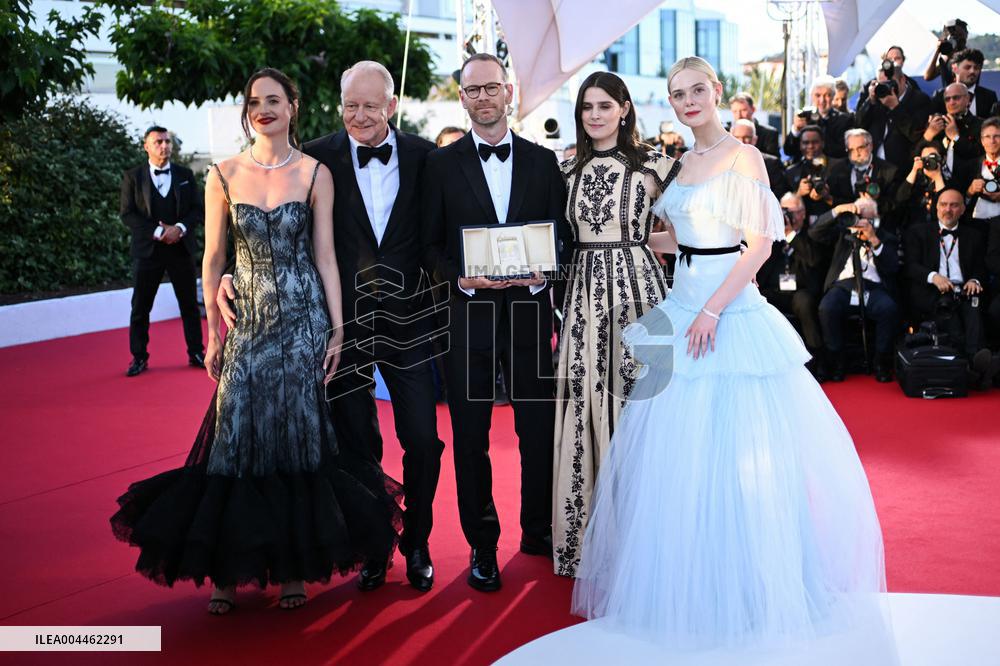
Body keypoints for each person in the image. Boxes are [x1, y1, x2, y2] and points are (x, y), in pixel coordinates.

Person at [572, 57, 893, 659]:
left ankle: (752, 586)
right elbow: (678, 238)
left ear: (717, 92)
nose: (689, 101)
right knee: (677, 459)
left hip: (727, 311)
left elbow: (761, 243)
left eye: (697, 90)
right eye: (677, 95)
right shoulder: (681, 163)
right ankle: (693, 584)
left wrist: (714, 310)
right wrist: (632, 238)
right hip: (682, 302)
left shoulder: (744, 155)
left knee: (741, 454)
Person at [111, 68, 402, 614]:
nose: (262, 108)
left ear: (294, 106)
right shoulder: (222, 174)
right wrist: (214, 332)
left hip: (303, 323)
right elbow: (214, 258)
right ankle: (226, 570)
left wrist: (336, 327)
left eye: (273, 100)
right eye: (253, 101)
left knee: (297, 439)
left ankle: (292, 567)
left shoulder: (316, 173)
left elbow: (325, 258)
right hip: (247, 322)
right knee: (236, 438)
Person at [217, 61, 444, 593]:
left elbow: (444, 229)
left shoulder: (425, 156)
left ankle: (418, 541)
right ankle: (373, 543)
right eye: (350, 106)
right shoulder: (318, 160)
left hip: (409, 323)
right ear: (339, 105)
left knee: (423, 441)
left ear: (392, 106)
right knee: (355, 442)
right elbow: (282, 229)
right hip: (340, 325)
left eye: (370, 105)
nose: (359, 116)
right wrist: (232, 269)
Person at [421, 53, 570, 592]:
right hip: (467, 318)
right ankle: (482, 545)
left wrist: (541, 273)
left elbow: (563, 237)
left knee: (537, 430)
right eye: (472, 90)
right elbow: (429, 246)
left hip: (530, 315)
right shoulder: (439, 166)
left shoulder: (542, 161)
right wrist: (462, 278)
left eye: (491, 88)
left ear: (508, 92)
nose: (483, 97)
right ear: (461, 97)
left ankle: (538, 529)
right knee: (470, 436)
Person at [551, 71, 679, 577]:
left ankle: (650, 538)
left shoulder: (657, 165)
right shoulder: (564, 167)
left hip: (640, 295)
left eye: (605, 105)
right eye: (587, 107)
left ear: (625, 109)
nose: (596, 115)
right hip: (583, 295)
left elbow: (686, 233)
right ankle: (590, 542)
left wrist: (655, 250)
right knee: (586, 402)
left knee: (641, 406)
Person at [119, 126, 205, 376]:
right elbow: (127, 214)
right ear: (146, 146)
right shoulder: (132, 177)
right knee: (141, 306)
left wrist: (179, 228)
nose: (164, 146)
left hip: (181, 249)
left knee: (189, 304)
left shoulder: (185, 174)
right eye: (158, 142)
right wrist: (158, 232)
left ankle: (196, 352)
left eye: (167, 141)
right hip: (148, 251)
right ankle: (138, 357)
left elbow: (197, 210)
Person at [811, 196, 901, 382]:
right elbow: (814, 232)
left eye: (866, 218)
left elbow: (893, 267)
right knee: (827, 308)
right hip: (842, 287)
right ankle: (837, 362)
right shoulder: (842, 236)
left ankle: (881, 362)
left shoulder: (886, 237)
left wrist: (874, 239)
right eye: (858, 217)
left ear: (875, 218)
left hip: (874, 288)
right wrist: (837, 210)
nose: (861, 222)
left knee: (889, 308)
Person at [904, 189, 989, 368]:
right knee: (953, 323)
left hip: (963, 290)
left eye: (954, 205)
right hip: (933, 291)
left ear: (963, 209)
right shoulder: (918, 232)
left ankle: (974, 364)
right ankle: (972, 367)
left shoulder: (974, 236)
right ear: (936, 208)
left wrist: (975, 280)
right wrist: (933, 277)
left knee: (974, 312)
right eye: (943, 205)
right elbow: (911, 266)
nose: (948, 209)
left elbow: (981, 267)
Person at [756, 192, 829, 379]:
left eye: (792, 212)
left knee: (804, 302)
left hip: (800, 293)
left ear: (803, 213)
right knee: (757, 299)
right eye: (783, 211)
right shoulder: (771, 236)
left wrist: (791, 235)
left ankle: (816, 360)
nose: (787, 216)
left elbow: (813, 260)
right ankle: (763, 360)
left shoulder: (812, 234)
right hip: (775, 291)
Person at [855, 46, 932, 170]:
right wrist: (871, 101)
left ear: (902, 80)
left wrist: (895, 107)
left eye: (891, 83)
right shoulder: (876, 95)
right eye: (882, 84)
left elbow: (915, 134)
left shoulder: (920, 100)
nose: (887, 88)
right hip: (874, 167)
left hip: (902, 169)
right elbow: (858, 125)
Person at [826, 129, 899, 231]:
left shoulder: (889, 171)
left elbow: (895, 202)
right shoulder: (838, 170)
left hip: (879, 229)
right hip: (846, 230)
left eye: (860, 148)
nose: (856, 153)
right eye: (851, 150)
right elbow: (837, 198)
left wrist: (873, 205)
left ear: (871, 146)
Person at [784, 76, 854, 160]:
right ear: (812, 96)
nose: (822, 100)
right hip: (805, 169)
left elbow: (842, 152)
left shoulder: (845, 120)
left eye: (827, 95)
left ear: (833, 96)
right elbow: (788, 151)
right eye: (818, 95)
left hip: (832, 169)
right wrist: (795, 130)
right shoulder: (805, 116)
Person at [923, 83, 984, 164]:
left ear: (968, 98)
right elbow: (914, 156)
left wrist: (955, 137)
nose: (951, 102)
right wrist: (928, 135)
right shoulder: (936, 124)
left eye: (956, 98)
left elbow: (978, 155)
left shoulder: (981, 125)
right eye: (947, 99)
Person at [931, 49, 998, 119]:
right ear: (954, 68)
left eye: (976, 68)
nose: (972, 71)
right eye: (967, 67)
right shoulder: (939, 95)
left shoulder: (989, 96)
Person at [730, 118, 787, 198]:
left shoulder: (771, 163)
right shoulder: (722, 163)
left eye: (746, 137)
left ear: (754, 140)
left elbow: (780, 190)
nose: (741, 141)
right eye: (737, 137)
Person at [965, 117, 1000, 223]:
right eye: (987, 137)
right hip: (976, 224)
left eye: (997, 136)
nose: (992, 141)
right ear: (982, 141)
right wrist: (970, 191)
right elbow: (960, 202)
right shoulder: (970, 166)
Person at [727, 92, 780, 157]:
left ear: (753, 109)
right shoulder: (725, 132)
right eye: (735, 111)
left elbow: (774, 162)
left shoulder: (769, 133)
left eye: (743, 110)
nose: (739, 115)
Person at [924, 19, 969, 87]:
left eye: (959, 35)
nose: (957, 39)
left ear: (966, 35)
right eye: (953, 36)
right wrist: (937, 51)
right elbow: (928, 76)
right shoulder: (947, 58)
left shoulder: (971, 56)